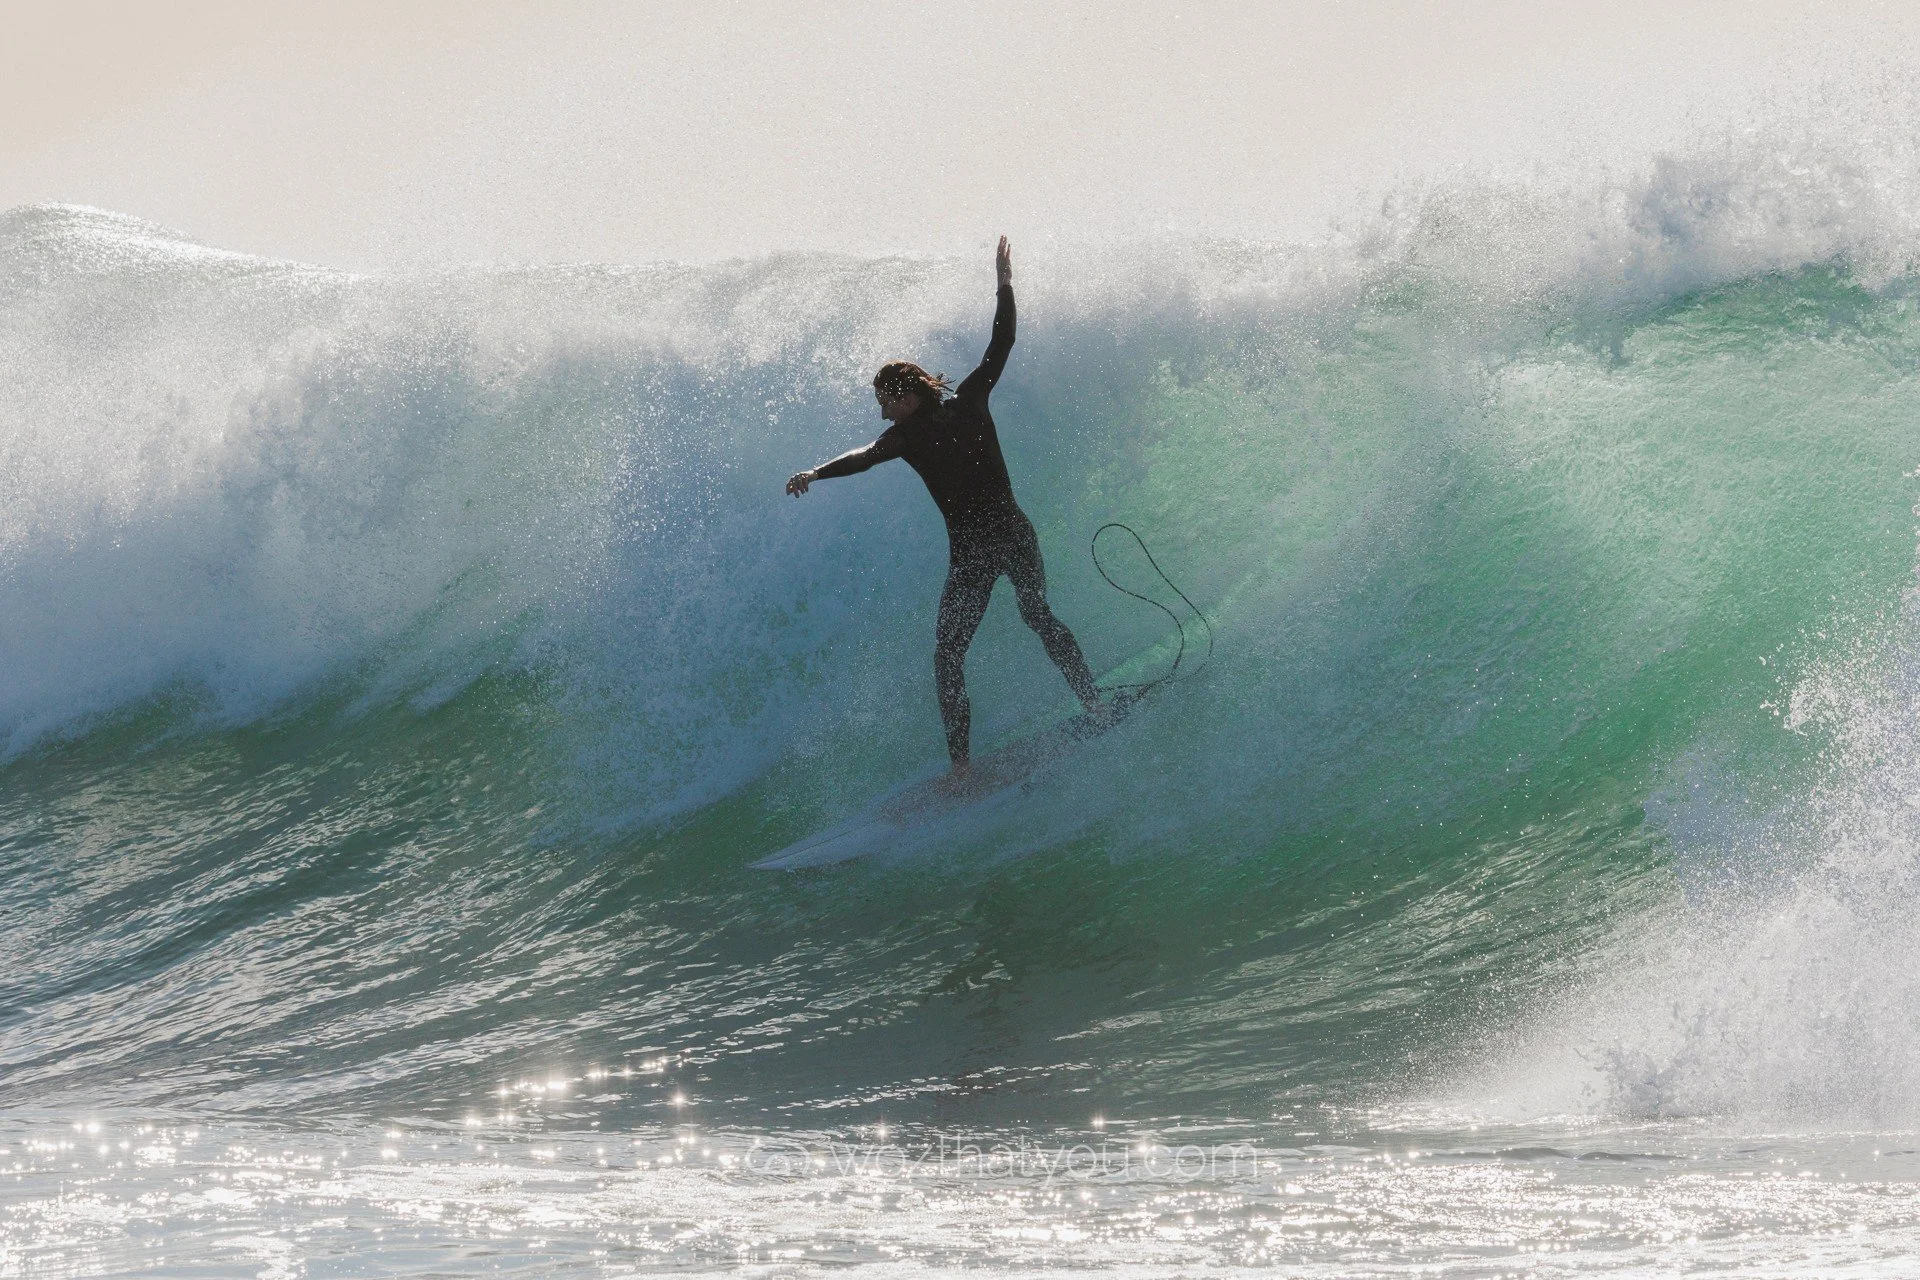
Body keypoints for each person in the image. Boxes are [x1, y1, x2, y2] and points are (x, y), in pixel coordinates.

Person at [787, 236, 1102, 780]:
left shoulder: (911, 435)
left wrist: (815, 473)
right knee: (1036, 617)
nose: (883, 413)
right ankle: (1092, 703)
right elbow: (998, 348)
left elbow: (865, 455)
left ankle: (963, 769)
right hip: (1011, 535)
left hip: (979, 552)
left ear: (908, 396)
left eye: (885, 402)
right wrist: (1004, 284)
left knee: (950, 655)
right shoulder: (964, 404)